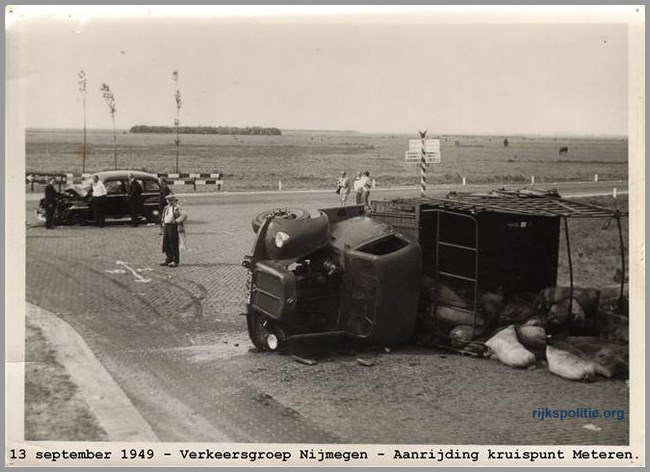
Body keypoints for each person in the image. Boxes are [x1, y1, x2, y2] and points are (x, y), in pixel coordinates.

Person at [160, 194, 187, 268]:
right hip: (166, 226)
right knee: (166, 243)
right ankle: (168, 258)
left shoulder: (177, 207)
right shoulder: (166, 207)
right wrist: (162, 223)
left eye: (170, 200)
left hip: (173, 227)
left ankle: (175, 261)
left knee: (173, 244)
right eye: (168, 200)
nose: (169, 202)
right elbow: (164, 216)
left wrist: (176, 221)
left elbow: (184, 215)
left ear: (173, 200)